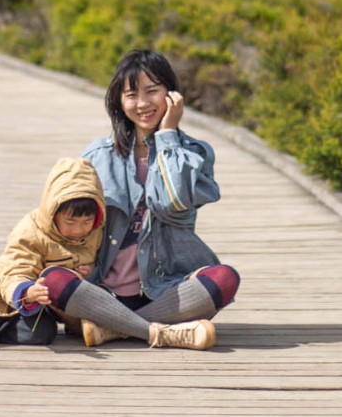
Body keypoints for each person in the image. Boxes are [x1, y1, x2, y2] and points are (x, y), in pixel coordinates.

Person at [0, 156, 216, 350]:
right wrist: (24, 290)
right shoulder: (32, 229)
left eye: (87, 221)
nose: (79, 230)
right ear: (52, 210)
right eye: (71, 222)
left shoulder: (95, 232)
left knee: (42, 336)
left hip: (37, 306)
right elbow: (14, 267)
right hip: (1, 291)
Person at [78, 48, 241, 345]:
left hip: (165, 287)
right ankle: (163, 331)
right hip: (104, 290)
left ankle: (115, 327)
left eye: (152, 91)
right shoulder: (97, 156)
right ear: (118, 101)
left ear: (171, 94)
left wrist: (167, 136)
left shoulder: (194, 154)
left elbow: (172, 202)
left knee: (224, 279)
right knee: (55, 282)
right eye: (131, 95)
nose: (142, 104)